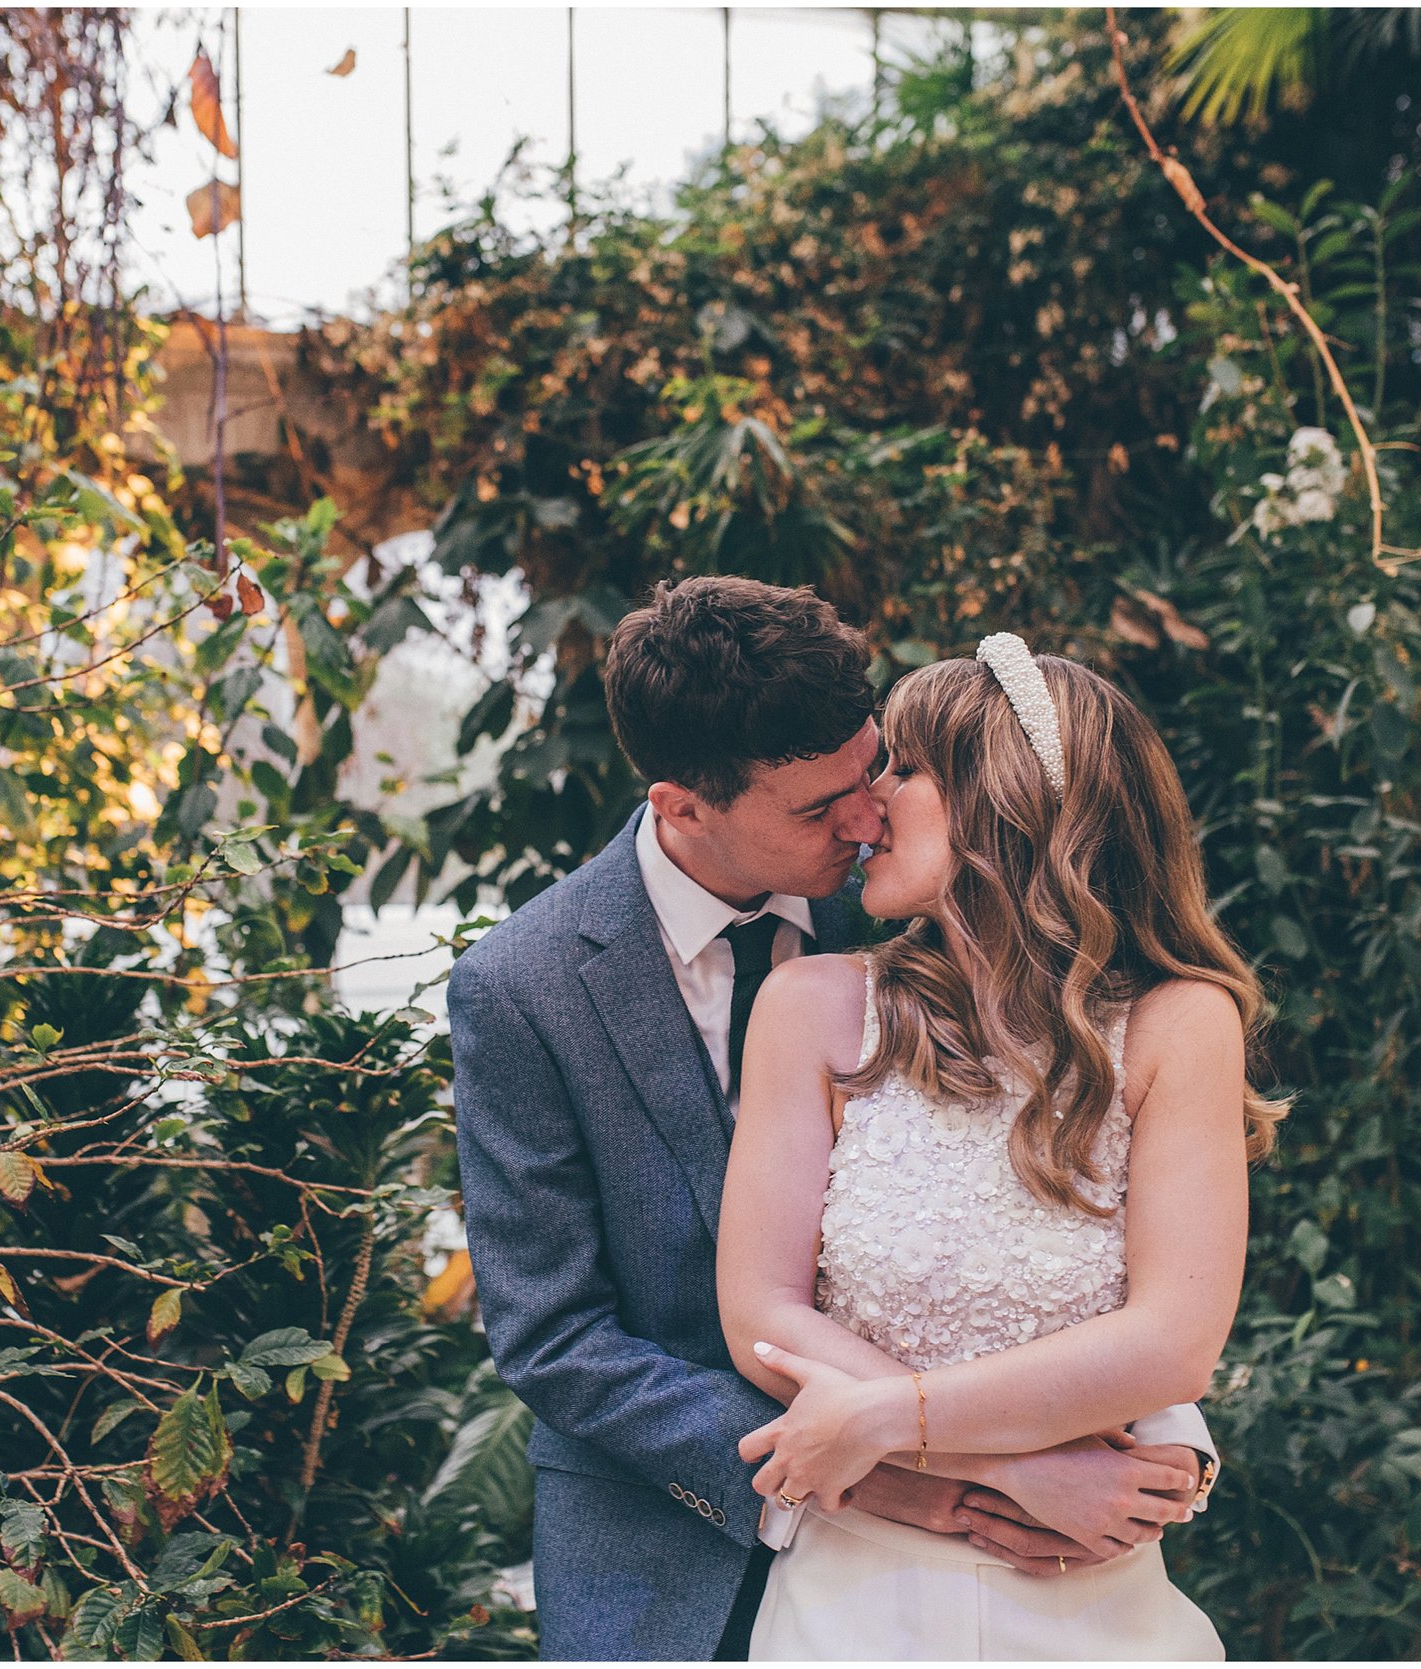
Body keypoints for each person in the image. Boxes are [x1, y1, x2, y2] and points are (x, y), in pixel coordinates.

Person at [450, 580, 1220, 1661]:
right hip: (675, 1543)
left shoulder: (920, 894)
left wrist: (1157, 1436)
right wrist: (960, 1467)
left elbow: (1070, 1244)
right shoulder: (523, 987)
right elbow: (558, 1336)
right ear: (684, 806)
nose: (863, 820)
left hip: (1048, 1553)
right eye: (820, 810)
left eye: (873, 775)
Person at [714, 635, 1288, 1659]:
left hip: (1088, 1608)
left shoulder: (1178, 1024)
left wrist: (892, 1416)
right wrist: (1009, 1468)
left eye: (906, 766)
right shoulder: (811, 1007)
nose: (870, 799)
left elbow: (1173, 1340)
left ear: (1004, 798)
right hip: (853, 1600)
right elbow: (762, 1312)